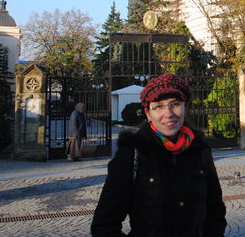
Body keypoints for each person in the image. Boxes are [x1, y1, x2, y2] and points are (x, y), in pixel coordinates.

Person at [91, 73, 227, 237]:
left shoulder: (200, 149)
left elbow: (215, 211)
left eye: (174, 104)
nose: (168, 113)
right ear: (148, 113)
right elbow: (104, 225)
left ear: (185, 107)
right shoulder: (132, 153)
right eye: (158, 106)